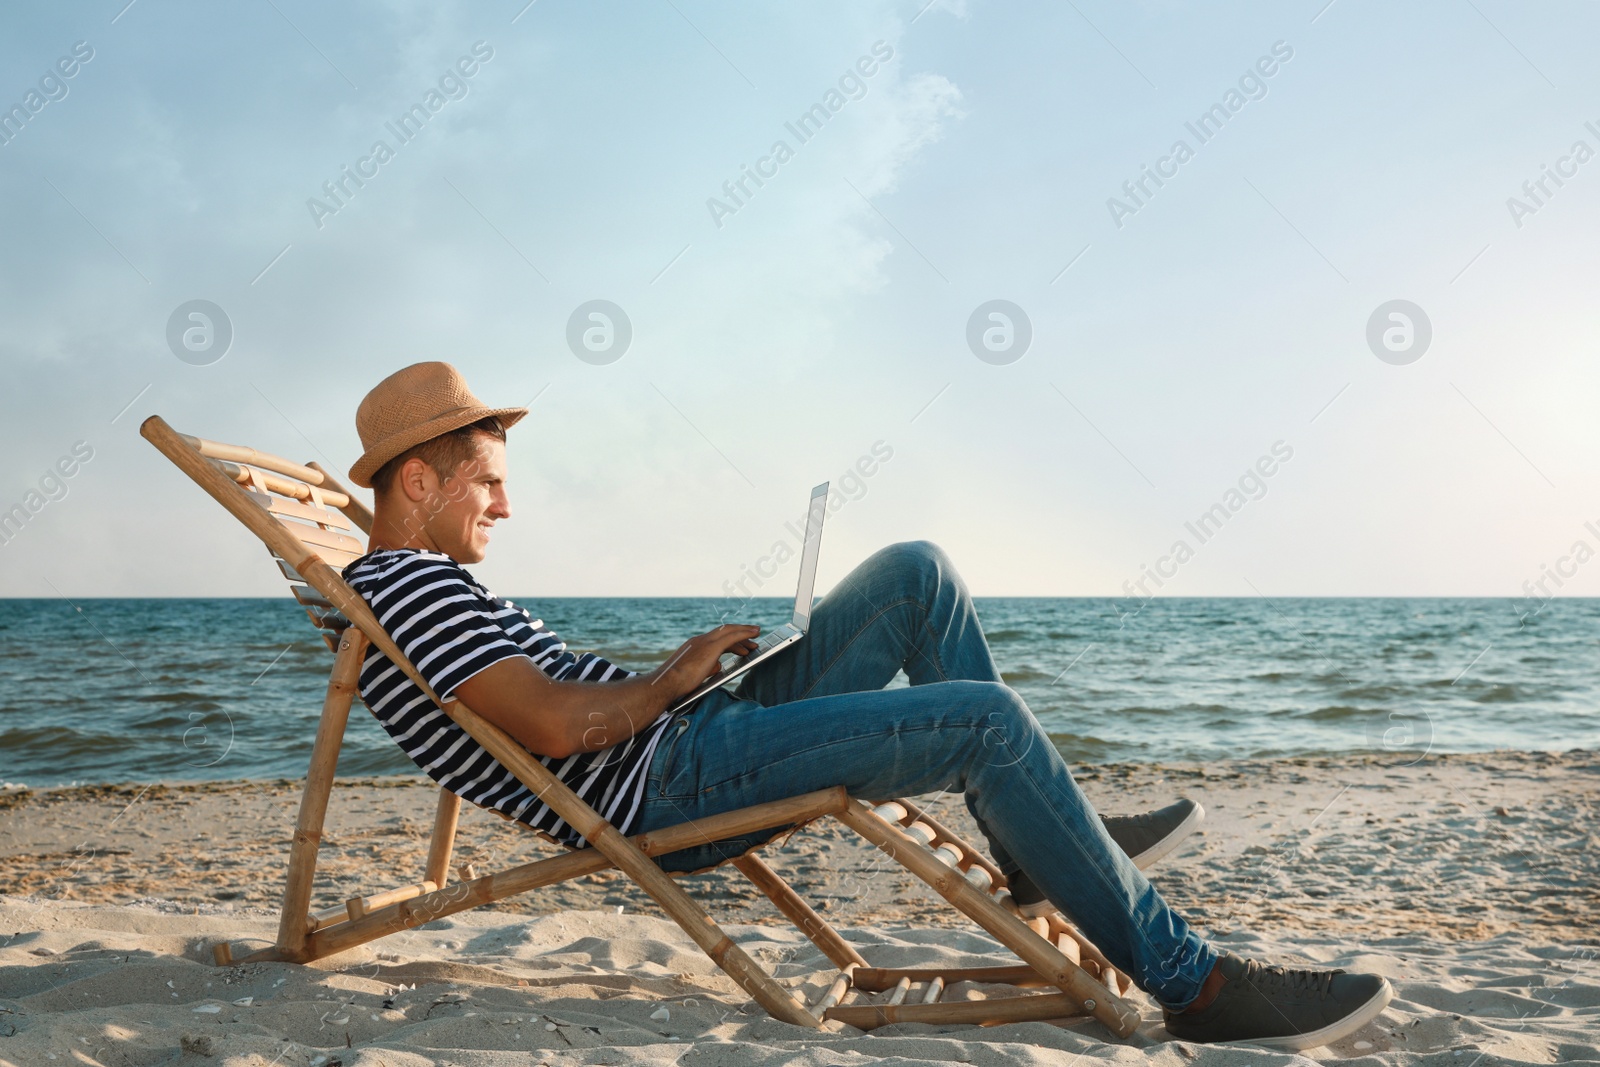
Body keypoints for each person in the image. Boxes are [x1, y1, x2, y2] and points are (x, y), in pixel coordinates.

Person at [341, 362, 1393, 1051]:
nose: (506, 504)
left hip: (683, 738)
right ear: (422, 480)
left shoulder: (427, 587)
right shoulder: (410, 590)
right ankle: (1196, 984)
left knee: (913, 574)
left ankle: (1036, 852)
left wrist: (683, 680)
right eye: (489, 483)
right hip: (668, 782)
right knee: (985, 718)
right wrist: (668, 680)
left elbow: (542, 710)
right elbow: (549, 728)